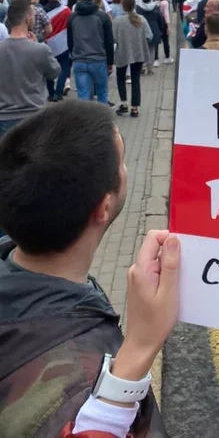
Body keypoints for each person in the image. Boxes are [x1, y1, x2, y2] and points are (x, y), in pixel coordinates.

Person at [0, 100, 171, 437]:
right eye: (122, 162)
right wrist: (140, 345)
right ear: (103, 207)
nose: (124, 169)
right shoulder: (80, 383)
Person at [0, 0, 60, 136]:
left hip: (4, 116)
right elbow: (54, 72)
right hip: (34, 114)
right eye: (32, 15)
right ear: (27, 18)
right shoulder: (40, 49)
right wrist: (36, 44)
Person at [67, 0, 114, 105]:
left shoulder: (72, 17)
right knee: (102, 93)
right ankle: (102, 116)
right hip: (98, 59)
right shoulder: (102, 16)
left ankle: (85, 116)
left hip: (79, 59)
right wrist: (110, 61)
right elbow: (109, 41)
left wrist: (73, 55)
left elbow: (70, 40)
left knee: (83, 95)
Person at [112, 0, 152, 118]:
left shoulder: (117, 21)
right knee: (135, 80)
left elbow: (113, 38)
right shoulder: (141, 19)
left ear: (122, 6)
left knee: (120, 78)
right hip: (138, 52)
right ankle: (135, 108)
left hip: (122, 52)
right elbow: (149, 35)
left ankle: (123, 103)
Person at [43, 0, 72, 102]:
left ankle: (51, 93)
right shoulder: (66, 10)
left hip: (47, 43)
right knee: (64, 68)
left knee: (49, 69)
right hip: (63, 43)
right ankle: (59, 93)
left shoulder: (43, 11)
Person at [136, 0, 165, 73]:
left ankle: (142, 67)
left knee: (142, 50)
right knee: (152, 50)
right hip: (154, 28)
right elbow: (160, 19)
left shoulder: (138, 8)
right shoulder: (155, 7)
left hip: (142, 30)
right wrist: (161, 29)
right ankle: (150, 69)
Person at [153, 0, 173, 66]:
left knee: (156, 42)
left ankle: (155, 59)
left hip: (155, 22)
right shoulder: (165, 3)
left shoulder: (154, 1)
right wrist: (168, 26)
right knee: (165, 40)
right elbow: (166, 14)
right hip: (163, 22)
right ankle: (167, 57)